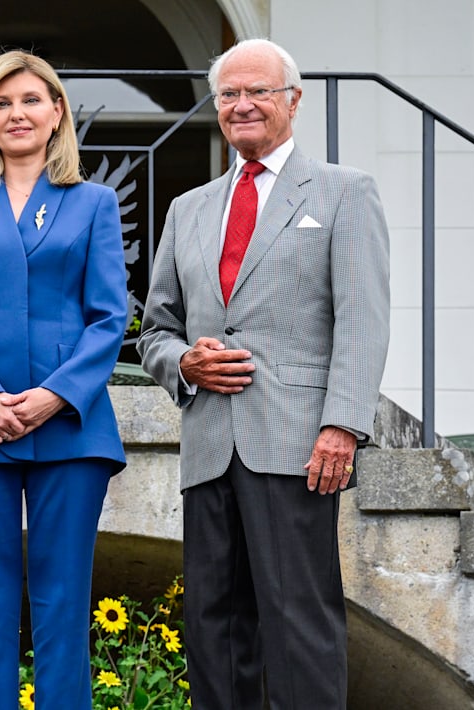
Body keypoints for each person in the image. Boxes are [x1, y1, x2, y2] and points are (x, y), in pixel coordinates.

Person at [137, 38, 391, 708]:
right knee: (213, 627)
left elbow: (362, 318)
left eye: (259, 91)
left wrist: (342, 425)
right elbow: (155, 330)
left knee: (298, 622)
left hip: (297, 443)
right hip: (209, 446)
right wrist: (183, 362)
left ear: (293, 101)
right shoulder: (188, 209)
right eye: (229, 94)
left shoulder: (344, 192)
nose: (242, 104)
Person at [0, 50, 129, 710]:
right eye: (2, 103)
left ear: (57, 112)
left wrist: (55, 395)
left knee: (64, 602)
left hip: (71, 427)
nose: (17, 114)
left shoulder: (92, 203)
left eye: (32, 100)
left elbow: (109, 316)